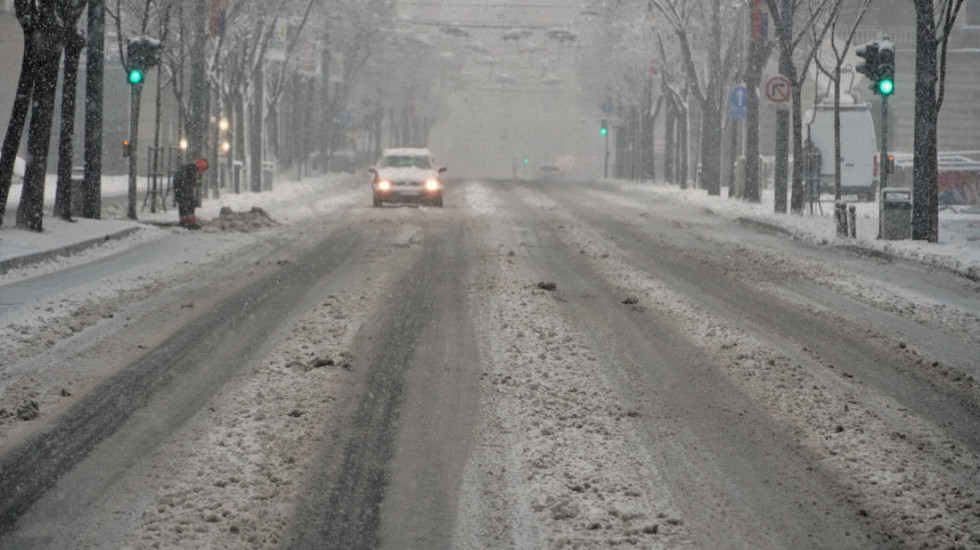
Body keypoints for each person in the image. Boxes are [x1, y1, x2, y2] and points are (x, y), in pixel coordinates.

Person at [173, 159, 208, 229]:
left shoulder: (192, 165)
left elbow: (195, 177)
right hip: (183, 183)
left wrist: (194, 183)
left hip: (178, 182)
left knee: (182, 202)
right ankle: (190, 221)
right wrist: (195, 183)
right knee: (189, 202)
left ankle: (183, 220)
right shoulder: (203, 165)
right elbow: (197, 177)